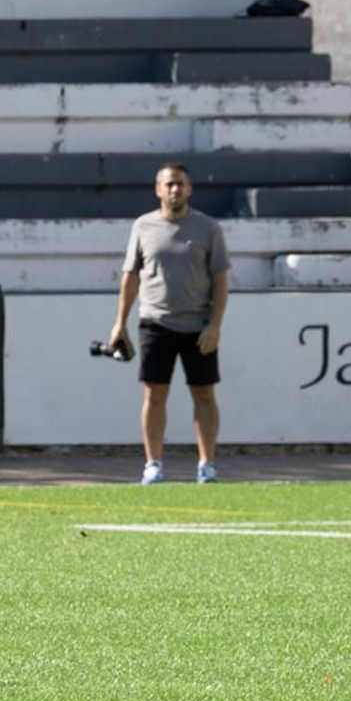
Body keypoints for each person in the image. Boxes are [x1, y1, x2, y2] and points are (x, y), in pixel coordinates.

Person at [108, 162, 230, 485]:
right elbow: (130, 276)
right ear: (158, 189)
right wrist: (119, 323)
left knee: (203, 393)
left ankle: (207, 464)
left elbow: (220, 280)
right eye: (169, 184)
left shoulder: (208, 228)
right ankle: (154, 464)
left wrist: (215, 324)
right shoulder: (143, 227)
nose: (175, 189)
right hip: (155, 322)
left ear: (189, 189)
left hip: (198, 325)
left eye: (181, 184)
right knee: (155, 394)